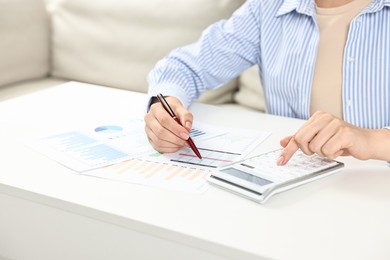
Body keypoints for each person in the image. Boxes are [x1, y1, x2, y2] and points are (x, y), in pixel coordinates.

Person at [144, 0, 390, 165]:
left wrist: (373, 141)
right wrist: (163, 108)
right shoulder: (268, 7)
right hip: (293, 182)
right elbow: (185, 66)